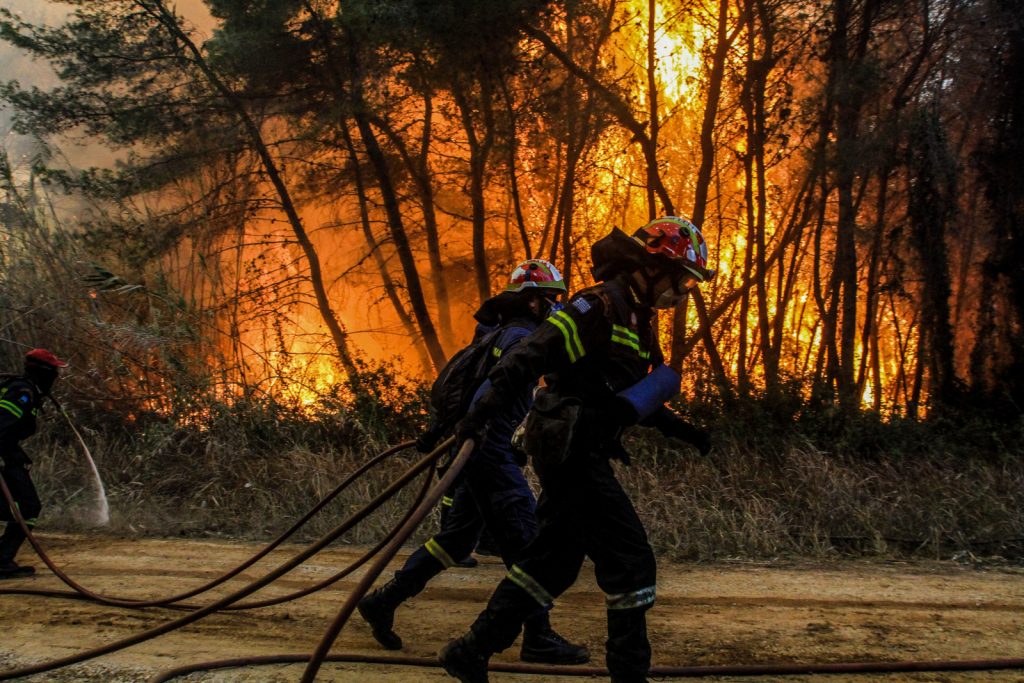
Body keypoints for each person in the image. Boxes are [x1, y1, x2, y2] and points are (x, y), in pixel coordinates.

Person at [439, 217, 715, 683]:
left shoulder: (636, 320)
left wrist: (681, 430)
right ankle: (630, 676)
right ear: (652, 266)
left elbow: (630, 392)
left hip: (580, 446)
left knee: (551, 563)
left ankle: (470, 651)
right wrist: (479, 416)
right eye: (683, 280)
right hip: (571, 449)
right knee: (631, 561)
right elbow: (526, 359)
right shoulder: (595, 305)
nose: (683, 293)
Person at [358, 259, 590, 665]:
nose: (556, 307)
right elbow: (487, 389)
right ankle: (537, 635)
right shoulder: (521, 340)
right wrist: (479, 430)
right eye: (552, 299)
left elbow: (462, 386)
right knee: (528, 544)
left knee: (457, 540)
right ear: (534, 303)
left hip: (473, 449)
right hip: (489, 453)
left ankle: (383, 601)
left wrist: (443, 432)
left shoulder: (496, 333)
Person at [0, 348, 69, 579]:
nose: (56, 377)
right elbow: (2, 423)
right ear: (44, 372)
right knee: (28, 506)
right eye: (54, 371)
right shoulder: (22, 392)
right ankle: (2, 560)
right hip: (4, 457)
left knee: (17, 506)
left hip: (8, 454)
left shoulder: (22, 388)